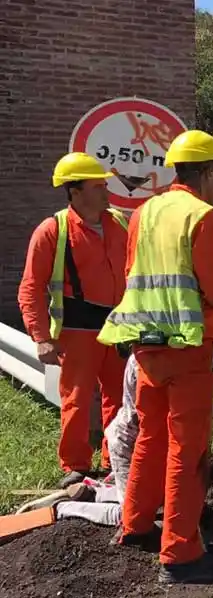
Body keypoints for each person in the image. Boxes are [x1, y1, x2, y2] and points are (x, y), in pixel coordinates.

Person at [96, 129, 213, 584]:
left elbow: (130, 273)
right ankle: (180, 554)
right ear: (210, 173)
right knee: (188, 447)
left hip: (146, 344)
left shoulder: (144, 212)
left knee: (150, 435)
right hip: (189, 346)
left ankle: (136, 525)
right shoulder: (203, 216)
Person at [18, 152, 130, 488]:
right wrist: (40, 336)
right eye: (98, 186)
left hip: (120, 328)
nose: (105, 191)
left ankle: (115, 464)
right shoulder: (52, 230)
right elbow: (31, 287)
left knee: (120, 399)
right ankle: (76, 468)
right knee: (77, 400)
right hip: (77, 330)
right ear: (75, 192)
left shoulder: (120, 223)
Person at [51, 355, 213, 527]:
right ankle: (64, 509)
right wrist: (211, 408)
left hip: (156, 441)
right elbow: (163, 405)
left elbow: (202, 375)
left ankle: (94, 493)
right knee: (132, 517)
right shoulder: (145, 360)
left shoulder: (168, 352)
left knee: (160, 499)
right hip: (130, 443)